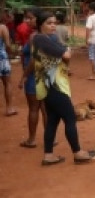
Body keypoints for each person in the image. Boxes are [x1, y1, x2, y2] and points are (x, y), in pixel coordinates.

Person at [25, 11, 94, 165]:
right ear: (40, 24)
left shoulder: (44, 39)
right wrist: (67, 50)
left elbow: (64, 55)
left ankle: (48, 155)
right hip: (54, 86)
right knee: (69, 118)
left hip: (48, 86)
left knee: (52, 121)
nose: (53, 26)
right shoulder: (41, 39)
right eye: (49, 23)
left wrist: (66, 51)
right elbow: (67, 55)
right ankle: (77, 152)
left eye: (55, 23)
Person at [18, 8, 47, 148]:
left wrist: (24, 76)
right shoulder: (46, 35)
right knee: (45, 108)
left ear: (37, 19)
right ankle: (50, 138)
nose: (27, 21)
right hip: (45, 75)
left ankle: (31, 139)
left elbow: (33, 60)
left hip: (33, 76)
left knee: (33, 108)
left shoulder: (34, 37)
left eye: (30, 18)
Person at [0, 22, 17, 116]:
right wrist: (11, 54)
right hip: (2, 58)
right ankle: (9, 108)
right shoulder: (2, 27)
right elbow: (8, 45)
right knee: (7, 83)